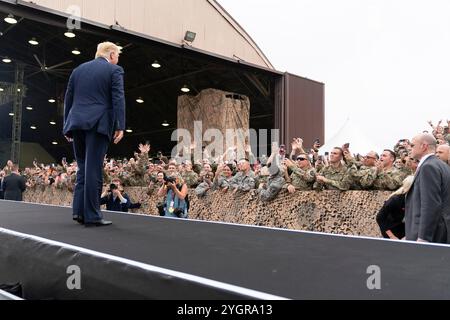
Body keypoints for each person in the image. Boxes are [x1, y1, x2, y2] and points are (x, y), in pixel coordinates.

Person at [63, 42, 126, 227]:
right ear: (112, 54)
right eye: (118, 57)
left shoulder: (78, 70)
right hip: (98, 124)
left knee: (83, 167)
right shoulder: (114, 71)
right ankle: (92, 215)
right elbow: (118, 98)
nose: (117, 60)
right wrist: (120, 125)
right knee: (93, 169)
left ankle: (79, 212)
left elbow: (68, 99)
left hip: (77, 123)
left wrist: (67, 125)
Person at [405, 133, 450, 243]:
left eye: (412, 145)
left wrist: (423, 237)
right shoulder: (442, 165)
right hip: (439, 231)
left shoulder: (428, 166)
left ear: (424, 146)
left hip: (431, 235)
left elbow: (430, 204)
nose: (410, 148)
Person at [376, 176, 414, 240]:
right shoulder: (395, 200)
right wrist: (392, 236)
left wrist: (408, 236)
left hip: (406, 229)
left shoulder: (418, 200)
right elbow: (379, 218)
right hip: (391, 229)